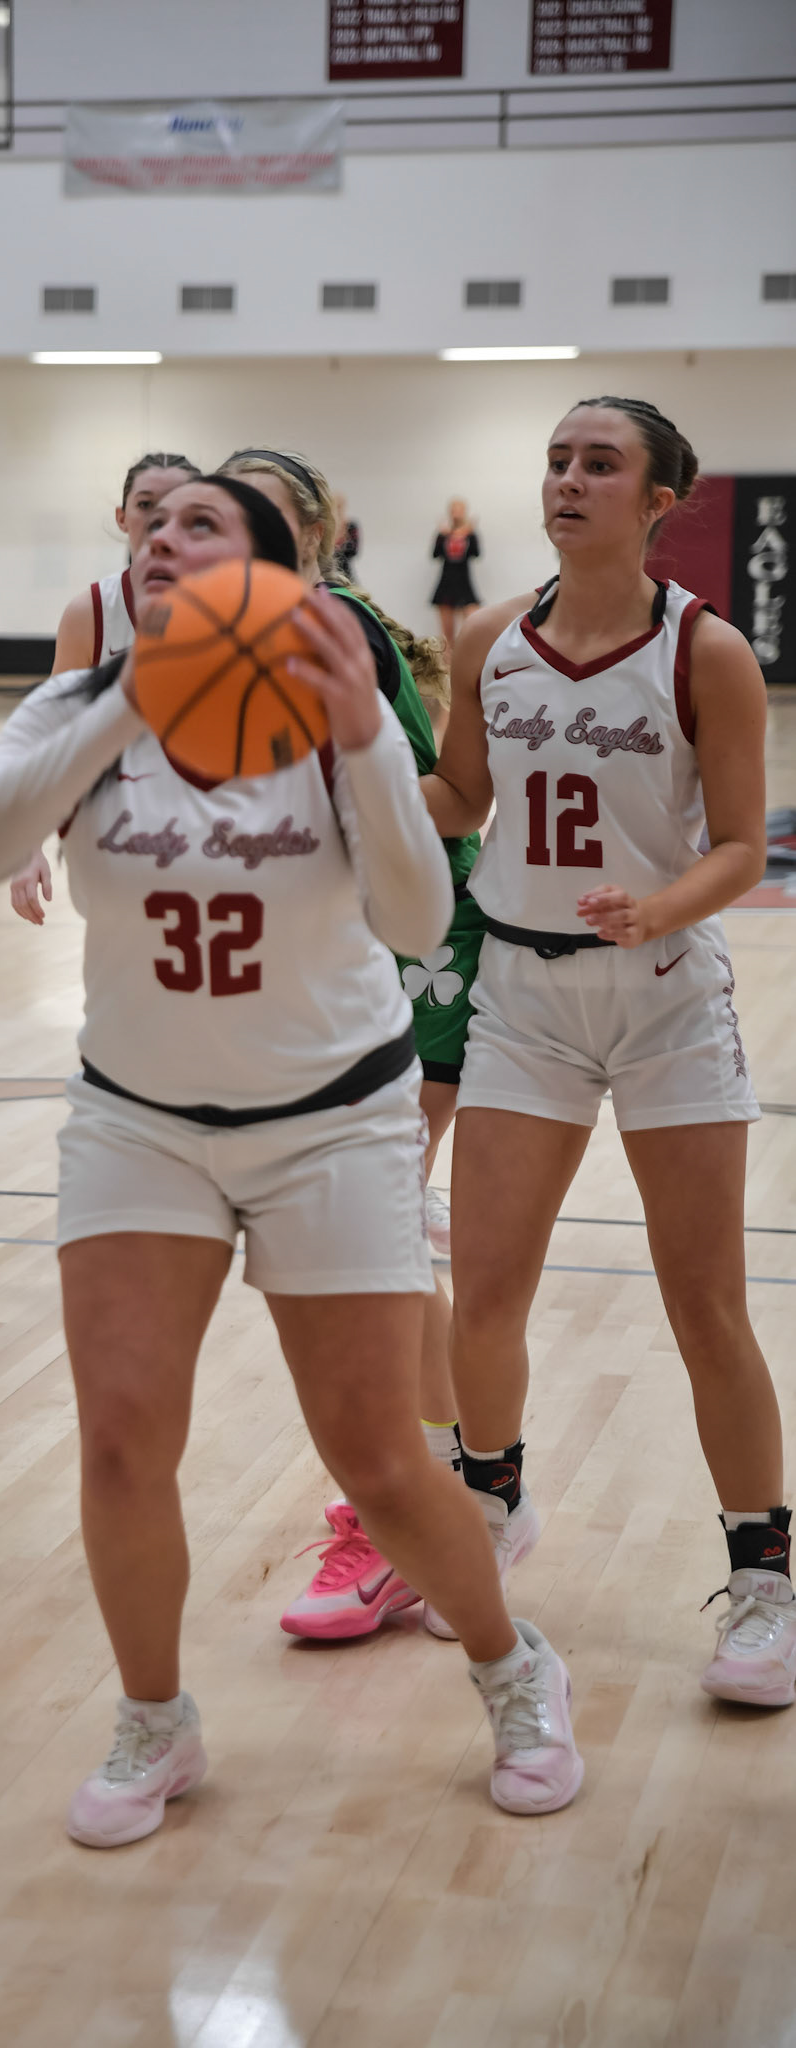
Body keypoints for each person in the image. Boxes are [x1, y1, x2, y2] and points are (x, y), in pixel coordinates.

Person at [0, 472, 584, 1845]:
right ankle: (155, 1718)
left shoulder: (334, 711)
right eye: (152, 521)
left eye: (203, 526)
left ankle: (512, 1666)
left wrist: (362, 745)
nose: (163, 537)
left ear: (273, 576)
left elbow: (417, 919)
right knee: (122, 1439)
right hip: (138, 1119)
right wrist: (126, 695)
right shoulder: (80, 703)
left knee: (379, 1459)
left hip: (331, 1119)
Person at [424, 395, 794, 1705]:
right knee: (484, 1290)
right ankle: (493, 1503)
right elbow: (460, 796)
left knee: (705, 1305)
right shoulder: (487, 638)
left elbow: (743, 845)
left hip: (664, 995)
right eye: (556, 461)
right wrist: (342, 784)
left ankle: (765, 1581)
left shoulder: (707, 651)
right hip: (523, 994)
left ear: (658, 500)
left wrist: (662, 905)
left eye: (599, 463)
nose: (568, 480)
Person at [217, 447, 483, 1644]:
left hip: (406, 945)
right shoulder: (228, 637)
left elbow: (411, 805)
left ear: (316, 533)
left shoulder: (333, 632)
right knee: (379, 1241)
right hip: (332, 958)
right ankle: (432, 1492)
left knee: (372, 1244)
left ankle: (409, 1516)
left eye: (263, 514)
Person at [10, 452, 199, 925]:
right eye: (146, 504)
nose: (160, 520)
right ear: (122, 517)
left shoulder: (237, 610)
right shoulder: (91, 614)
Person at [431, 499, 481, 647]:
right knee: (447, 635)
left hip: (464, 582)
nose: (456, 514)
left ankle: (467, 658)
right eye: (454, 510)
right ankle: (447, 661)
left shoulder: (470, 534)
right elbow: (435, 554)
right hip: (446, 582)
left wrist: (466, 534)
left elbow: (476, 554)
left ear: (464, 512)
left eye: (459, 510)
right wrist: (444, 536)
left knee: (473, 625)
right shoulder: (442, 534)